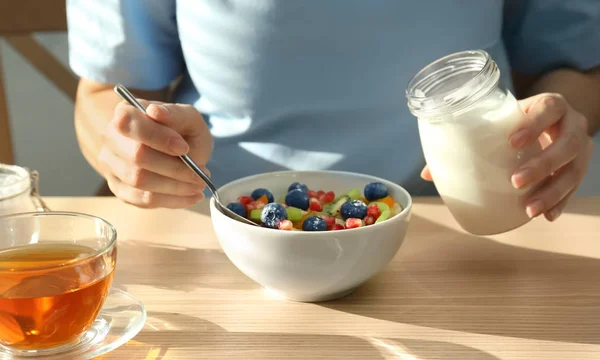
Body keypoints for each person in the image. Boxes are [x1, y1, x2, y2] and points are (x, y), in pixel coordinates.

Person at [66, 0, 598, 222]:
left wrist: (558, 121)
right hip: (228, 230)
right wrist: (131, 151)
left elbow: (575, 65)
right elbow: (106, 95)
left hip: (472, 227)